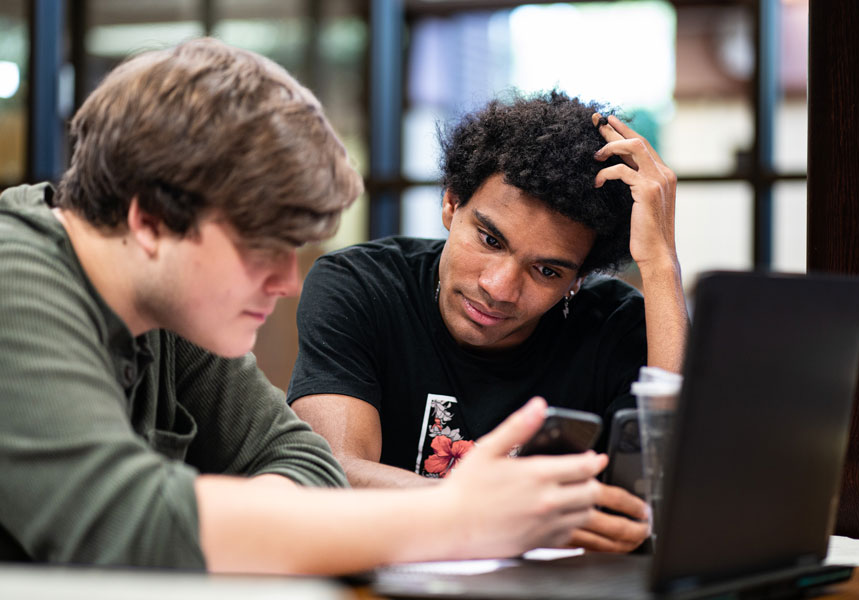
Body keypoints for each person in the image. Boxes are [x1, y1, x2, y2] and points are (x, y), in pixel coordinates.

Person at [0, 39, 608, 574]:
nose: (288, 282)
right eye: (261, 248)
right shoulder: (14, 280)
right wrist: (450, 517)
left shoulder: (167, 307)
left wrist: (234, 524)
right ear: (151, 221)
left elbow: (304, 463)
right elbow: (125, 525)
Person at [289, 91, 690, 553]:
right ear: (450, 204)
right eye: (489, 239)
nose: (499, 287)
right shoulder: (362, 286)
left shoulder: (614, 326)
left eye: (547, 271)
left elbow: (672, 480)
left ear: (577, 281)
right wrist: (497, 515)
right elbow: (331, 471)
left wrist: (660, 265)